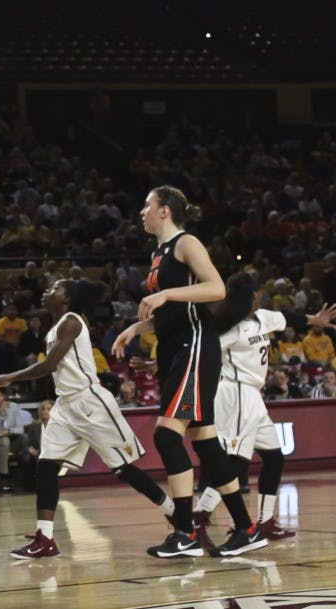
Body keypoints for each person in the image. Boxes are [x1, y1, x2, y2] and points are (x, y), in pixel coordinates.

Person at [113, 185, 264, 558]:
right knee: (205, 443)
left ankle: (186, 532)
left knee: (167, 436)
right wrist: (138, 328)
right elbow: (173, 312)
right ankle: (246, 528)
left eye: (147, 205)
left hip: (195, 346)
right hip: (176, 348)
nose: (141, 212)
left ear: (165, 211)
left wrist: (165, 295)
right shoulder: (158, 252)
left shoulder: (186, 242)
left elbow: (215, 289)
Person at [0, 280, 176, 559]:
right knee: (46, 465)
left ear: (66, 298)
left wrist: (10, 377)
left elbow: (49, 365)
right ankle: (45, 538)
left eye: (54, 287)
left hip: (90, 402)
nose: (47, 290)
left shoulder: (71, 321)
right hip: (66, 405)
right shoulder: (54, 327)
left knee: (122, 469)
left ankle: (175, 512)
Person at [191, 273, 336, 548]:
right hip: (234, 393)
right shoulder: (229, 328)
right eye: (255, 292)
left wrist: (315, 320)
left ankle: (266, 521)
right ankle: (201, 515)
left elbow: (287, 318)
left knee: (274, 458)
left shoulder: (262, 318)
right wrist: (158, 366)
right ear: (249, 296)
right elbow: (199, 352)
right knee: (234, 462)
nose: (259, 296)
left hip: (253, 397)